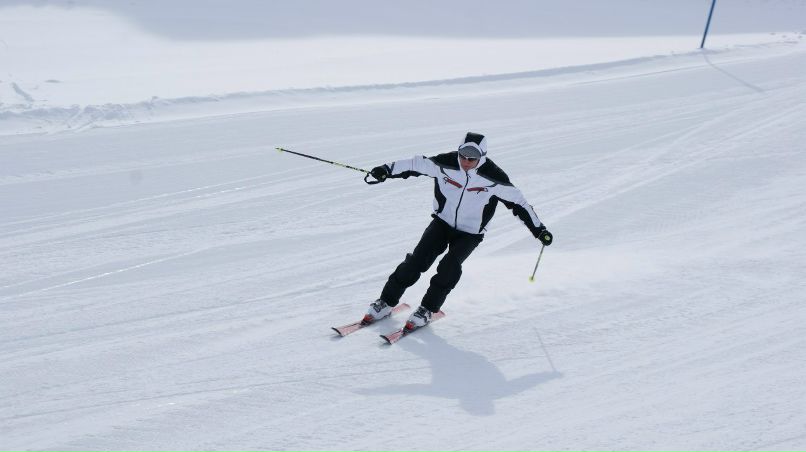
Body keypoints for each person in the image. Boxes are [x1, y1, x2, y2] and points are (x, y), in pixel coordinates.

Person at [364, 132, 553, 330]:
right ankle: (385, 302)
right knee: (416, 261)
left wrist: (539, 230)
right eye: (463, 155)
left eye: (473, 158)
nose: (466, 161)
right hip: (442, 223)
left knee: (449, 266)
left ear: (483, 156)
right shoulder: (446, 163)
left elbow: (519, 204)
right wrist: (385, 170)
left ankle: (427, 309)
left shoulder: (493, 177)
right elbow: (415, 164)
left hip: (470, 233)